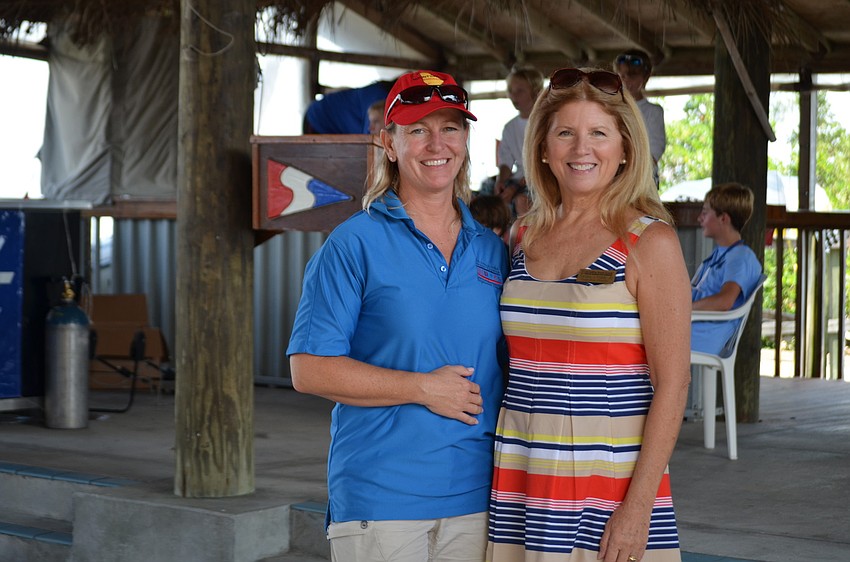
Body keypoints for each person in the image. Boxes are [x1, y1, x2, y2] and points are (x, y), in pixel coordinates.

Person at [288, 69, 510, 562]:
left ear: (465, 140)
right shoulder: (353, 244)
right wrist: (423, 388)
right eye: (418, 129)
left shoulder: (492, 251)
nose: (437, 143)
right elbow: (309, 369)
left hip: (477, 497)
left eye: (450, 127)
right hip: (381, 499)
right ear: (389, 143)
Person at [487, 67, 692, 562]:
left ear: (625, 148)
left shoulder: (649, 241)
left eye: (599, 133)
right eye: (565, 133)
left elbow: (674, 384)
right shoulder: (523, 235)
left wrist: (638, 508)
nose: (582, 149)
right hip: (522, 476)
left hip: (609, 483)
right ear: (542, 147)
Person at [691, 182, 763, 354]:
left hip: (701, 335)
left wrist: (683, 308)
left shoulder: (741, 257)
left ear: (723, 218)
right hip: (691, 326)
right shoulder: (721, 253)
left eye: (705, 212)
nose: (700, 218)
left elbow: (725, 301)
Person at [494, 65, 544, 217]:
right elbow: (506, 161)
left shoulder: (544, 123)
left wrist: (515, 187)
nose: (514, 96)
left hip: (541, 178)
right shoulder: (510, 127)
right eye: (511, 91)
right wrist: (500, 182)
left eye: (520, 91)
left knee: (521, 201)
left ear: (535, 91)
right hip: (520, 180)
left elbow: (542, 163)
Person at [614, 50, 666, 186]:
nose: (626, 80)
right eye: (622, 75)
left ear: (644, 77)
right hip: (612, 176)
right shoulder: (610, 108)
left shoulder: (653, 112)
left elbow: (655, 151)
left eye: (632, 75)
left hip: (642, 179)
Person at [303, 79, 394, 134]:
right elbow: (370, 135)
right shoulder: (380, 98)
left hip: (317, 115)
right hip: (317, 120)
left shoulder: (379, 92)